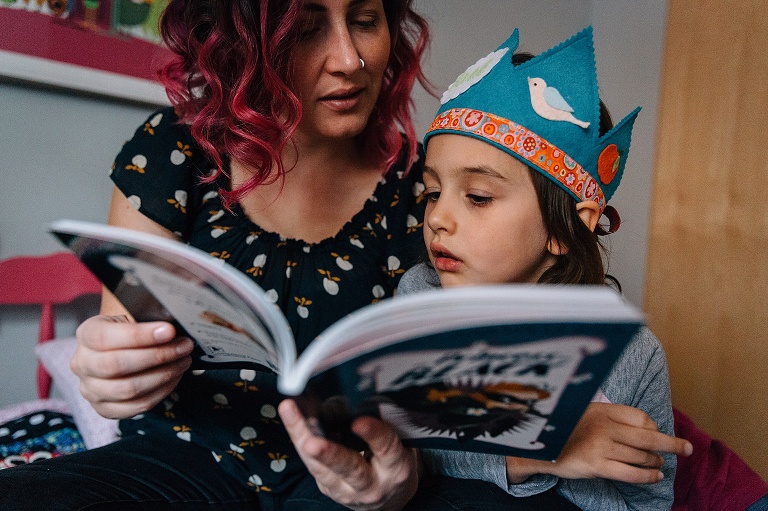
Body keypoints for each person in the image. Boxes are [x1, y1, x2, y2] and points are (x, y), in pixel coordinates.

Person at [0, 2, 579, 510]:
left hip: (353, 476)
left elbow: (445, 400)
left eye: (365, 20)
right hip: (186, 460)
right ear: (246, 45)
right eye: (304, 29)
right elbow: (122, 337)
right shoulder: (174, 152)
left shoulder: (422, 186)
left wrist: (399, 479)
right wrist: (110, 378)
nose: (350, 59)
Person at [395, 27, 693, 510]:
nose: (436, 217)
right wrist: (551, 447)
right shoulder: (422, 297)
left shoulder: (633, 355)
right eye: (432, 192)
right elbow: (417, 446)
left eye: (478, 197)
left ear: (563, 230)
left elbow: (650, 501)